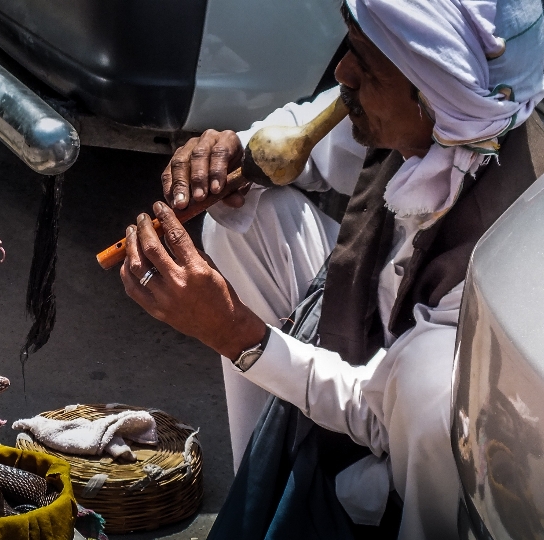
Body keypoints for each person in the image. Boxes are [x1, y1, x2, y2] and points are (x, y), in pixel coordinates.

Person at [120, 0, 544, 538]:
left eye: (366, 63)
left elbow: (379, 412)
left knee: (429, 390)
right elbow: (300, 132)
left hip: (427, 436)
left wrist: (236, 335)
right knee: (249, 220)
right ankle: (261, 485)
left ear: (436, 96)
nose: (342, 70)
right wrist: (236, 154)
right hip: (372, 351)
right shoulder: (420, 115)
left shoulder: (509, 238)